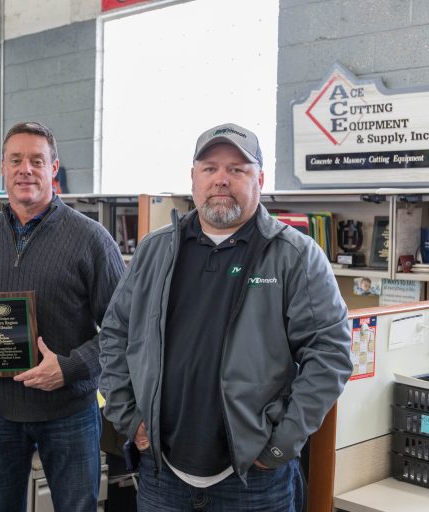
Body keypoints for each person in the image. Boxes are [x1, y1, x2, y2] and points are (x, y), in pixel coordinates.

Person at [99, 122, 353, 511]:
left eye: (237, 169)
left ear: (260, 179)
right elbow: (115, 333)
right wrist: (129, 419)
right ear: (193, 178)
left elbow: (331, 352)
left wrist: (281, 444)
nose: (221, 179)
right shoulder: (155, 251)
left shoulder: (293, 256)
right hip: (162, 476)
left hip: (253, 482)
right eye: (210, 168)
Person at [0, 121, 125, 512]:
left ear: (53, 168)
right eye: (16, 160)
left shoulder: (91, 239)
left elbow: (122, 328)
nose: (26, 169)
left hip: (69, 412)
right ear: (4, 169)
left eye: (37, 160)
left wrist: (71, 367)